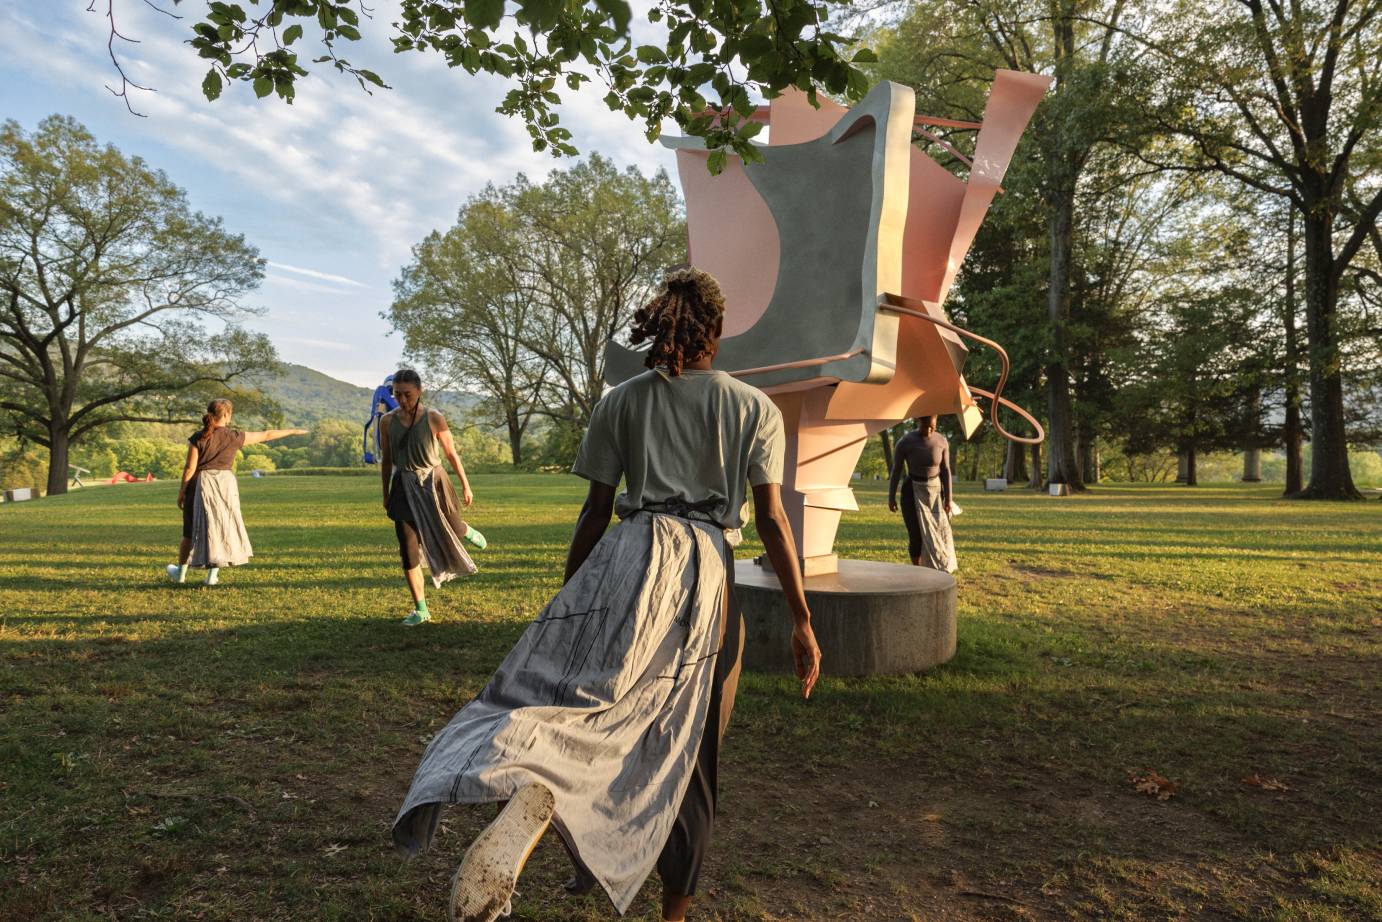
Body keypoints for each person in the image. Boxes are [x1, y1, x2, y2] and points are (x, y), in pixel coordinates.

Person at [392, 267, 822, 922]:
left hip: (625, 559)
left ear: (661, 323)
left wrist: (571, 604)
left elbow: (595, 512)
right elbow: (772, 521)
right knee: (689, 747)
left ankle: (546, 816)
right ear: (720, 330)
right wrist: (802, 617)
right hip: (701, 572)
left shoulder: (621, 400)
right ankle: (668, 911)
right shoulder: (751, 407)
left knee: (578, 704)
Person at [379, 368, 486, 626]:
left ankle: (466, 531)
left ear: (419, 391)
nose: (403, 400)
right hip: (403, 486)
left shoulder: (434, 418)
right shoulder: (387, 422)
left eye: (408, 394)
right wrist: (385, 493)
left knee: (454, 528)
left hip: (433, 481)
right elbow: (387, 461)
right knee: (408, 549)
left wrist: (466, 485)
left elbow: (451, 454)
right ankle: (421, 609)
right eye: (398, 394)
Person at [165, 399, 306, 586]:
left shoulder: (198, 437)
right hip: (225, 485)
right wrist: (293, 431)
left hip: (200, 485)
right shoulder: (235, 436)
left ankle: (180, 575)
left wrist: (182, 492)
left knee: (189, 532)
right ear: (227, 415)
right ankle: (212, 577)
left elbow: (189, 468)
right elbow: (267, 434)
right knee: (220, 528)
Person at [888, 414, 957, 573]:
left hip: (934, 493)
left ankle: (939, 567)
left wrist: (948, 499)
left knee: (939, 530)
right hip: (911, 492)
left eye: (932, 427)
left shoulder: (941, 441)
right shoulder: (905, 442)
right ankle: (917, 570)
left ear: (936, 423)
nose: (928, 430)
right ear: (917, 421)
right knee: (916, 534)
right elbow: (896, 471)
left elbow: (946, 470)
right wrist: (891, 497)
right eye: (925, 426)